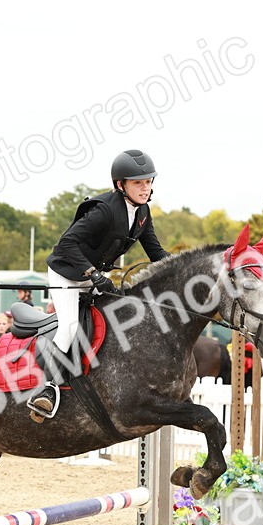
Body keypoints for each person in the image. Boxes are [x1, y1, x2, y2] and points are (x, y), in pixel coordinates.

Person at [27, 149, 169, 420]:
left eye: (148, 182)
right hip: (67, 272)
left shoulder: (142, 213)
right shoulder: (103, 211)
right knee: (69, 326)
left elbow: (156, 253)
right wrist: (91, 273)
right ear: (120, 185)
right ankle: (46, 388)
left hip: (94, 276)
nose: (145, 188)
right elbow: (66, 243)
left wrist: (182, 267)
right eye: (138, 183)